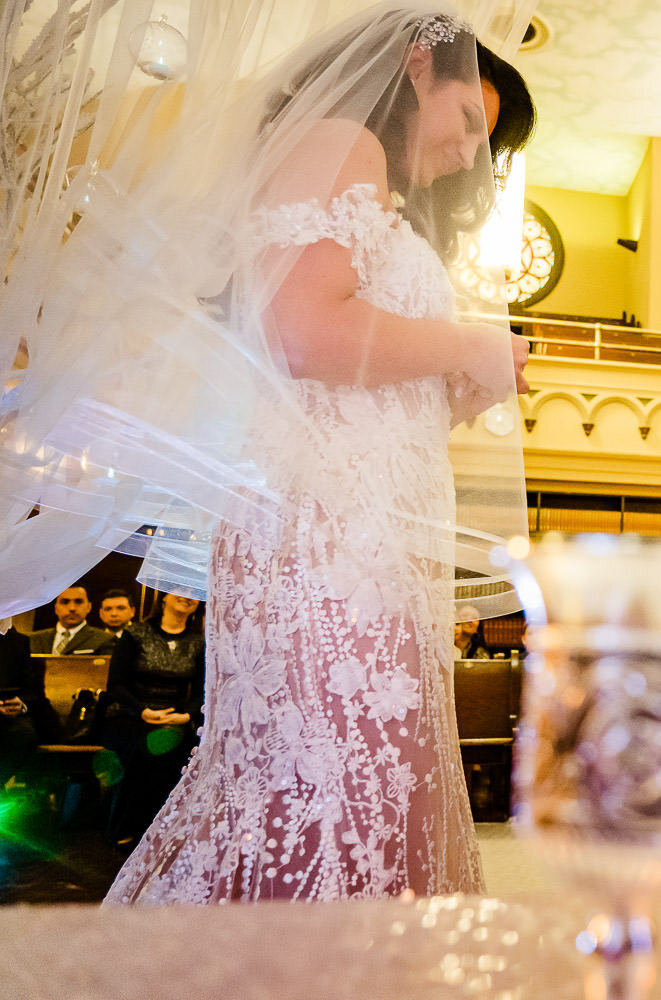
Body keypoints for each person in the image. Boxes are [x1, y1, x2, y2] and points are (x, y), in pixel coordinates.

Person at [101, 6, 535, 903]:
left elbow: (346, 399)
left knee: (364, 796)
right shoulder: (343, 141)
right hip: (326, 553)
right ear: (419, 67)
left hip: (362, 539)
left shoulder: (377, 188)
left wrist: (454, 392)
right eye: (467, 123)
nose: (467, 155)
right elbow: (298, 332)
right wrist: (465, 347)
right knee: (335, 795)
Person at [100, 593, 206, 848]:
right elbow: (116, 685)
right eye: (178, 590)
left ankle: (167, 828)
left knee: (184, 749)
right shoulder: (135, 634)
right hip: (130, 713)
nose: (186, 597)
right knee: (145, 748)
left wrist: (188, 714)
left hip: (174, 717)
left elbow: (203, 687)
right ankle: (128, 827)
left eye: (193, 593)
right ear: (164, 599)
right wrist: (142, 711)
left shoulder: (199, 641)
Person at [0, 628, 58, 784]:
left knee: (23, 734)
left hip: (10, 713)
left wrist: (21, 703)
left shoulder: (18, 641)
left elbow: (32, 689)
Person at [29, 586, 116, 656]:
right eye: (65, 602)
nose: (72, 608)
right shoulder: (33, 639)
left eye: (78, 602)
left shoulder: (104, 639)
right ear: (56, 608)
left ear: (89, 607)